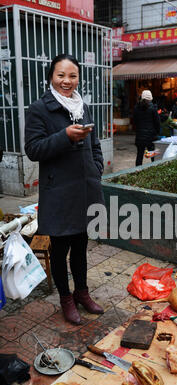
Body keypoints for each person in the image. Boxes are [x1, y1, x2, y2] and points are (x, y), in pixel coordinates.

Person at [24, 54, 105, 325]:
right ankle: (66, 299)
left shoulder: (83, 106)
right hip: (58, 192)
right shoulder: (39, 109)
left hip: (84, 189)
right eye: (61, 75)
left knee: (81, 247)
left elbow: (95, 142)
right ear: (51, 77)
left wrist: (97, 167)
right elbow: (33, 149)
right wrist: (65, 137)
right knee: (59, 251)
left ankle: (82, 293)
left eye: (72, 76)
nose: (67, 81)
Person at [133, 90, 160, 166]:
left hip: (140, 135)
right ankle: (154, 169)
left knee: (139, 154)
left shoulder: (136, 107)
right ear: (151, 98)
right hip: (150, 136)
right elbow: (157, 122)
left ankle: (137, 171)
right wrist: (157, 133)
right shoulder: (153, 108)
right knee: (152, 154)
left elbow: (134, 121)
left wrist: (138, 130)